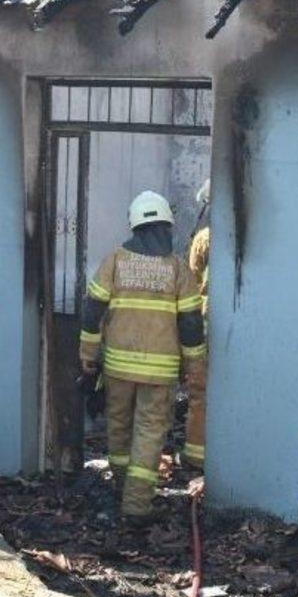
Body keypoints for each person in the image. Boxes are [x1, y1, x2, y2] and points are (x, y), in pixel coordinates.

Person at [80, 190, 206, 525]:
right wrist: (194, 366)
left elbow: (92, 312)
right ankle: (136, 506)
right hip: (160, 372)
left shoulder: (115, 262)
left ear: (134, 225)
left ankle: (123, 488)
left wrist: (88, 356)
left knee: (119, 429)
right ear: (167, 225)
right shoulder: (178, 269)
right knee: (150, 433)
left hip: (118, 368)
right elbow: (192, 324)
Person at [184, 178, 211, 469]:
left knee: (200, 392)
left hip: (206, 322)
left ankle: (196, 455)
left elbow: (191, 280)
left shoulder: (203, 239)